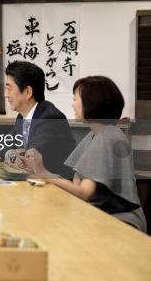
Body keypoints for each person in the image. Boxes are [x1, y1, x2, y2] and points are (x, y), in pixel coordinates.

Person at [25, 76, 147, 232]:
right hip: (104, 215)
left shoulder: (107, 137)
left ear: (92, 102)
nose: (72, 104)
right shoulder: (95, 134)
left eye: (76, 99)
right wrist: (40, 170)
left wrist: (44, 173)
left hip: (122, 222)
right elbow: (77, 186)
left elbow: (84, 193)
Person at [3, 61, 75, 178]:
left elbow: (29, 159)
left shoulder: (50, 117)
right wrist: (11, 153)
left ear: (27, 92)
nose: (6, 95)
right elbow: (5, 145)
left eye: (9, 89)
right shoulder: (22, 116)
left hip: (59, 188)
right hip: (35, 182)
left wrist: (15, 155)